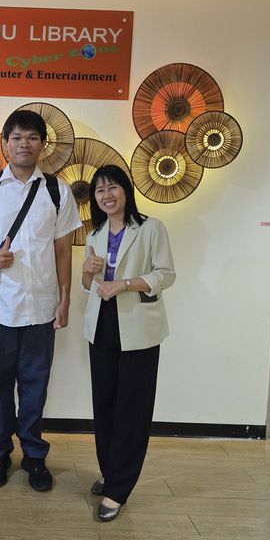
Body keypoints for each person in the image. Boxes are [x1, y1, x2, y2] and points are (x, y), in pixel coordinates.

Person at [0, 110, 81, 491]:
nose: (24, 144)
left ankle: (34, 455)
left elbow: (63, 250)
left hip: (41, 307)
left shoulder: (57, 191)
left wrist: (65, 299)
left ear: (42, 144)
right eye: (16, 137)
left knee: (35, 387)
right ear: (4, 144)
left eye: (32, 137)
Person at [81, 164, 175, 521]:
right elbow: (88, 286)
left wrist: (125, 284)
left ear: (126, 190)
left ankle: (118, 489)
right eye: (100, 190)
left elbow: (166, 274)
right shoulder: (96, 232)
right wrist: (88, 272)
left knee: (132, 409)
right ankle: (110, 472)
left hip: (138, 326)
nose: (106, 195)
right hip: (101, 325)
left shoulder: (151, 228)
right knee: (105, 404)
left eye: (113, 187)